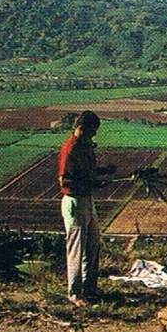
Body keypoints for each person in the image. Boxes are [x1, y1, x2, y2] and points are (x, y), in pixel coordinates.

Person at [57, 110, 115, 307]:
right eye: (92, 131)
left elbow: (86, 173)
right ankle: (75, 293)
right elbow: (65, 180)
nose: (94, 135)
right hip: (74, 201)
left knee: (92, 245)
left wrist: (103, 171)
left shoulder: (84, 146)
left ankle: (90, 289)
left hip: (86, 199)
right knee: (76, 248)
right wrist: (93, 184)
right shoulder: (70, 149)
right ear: (81, 128)